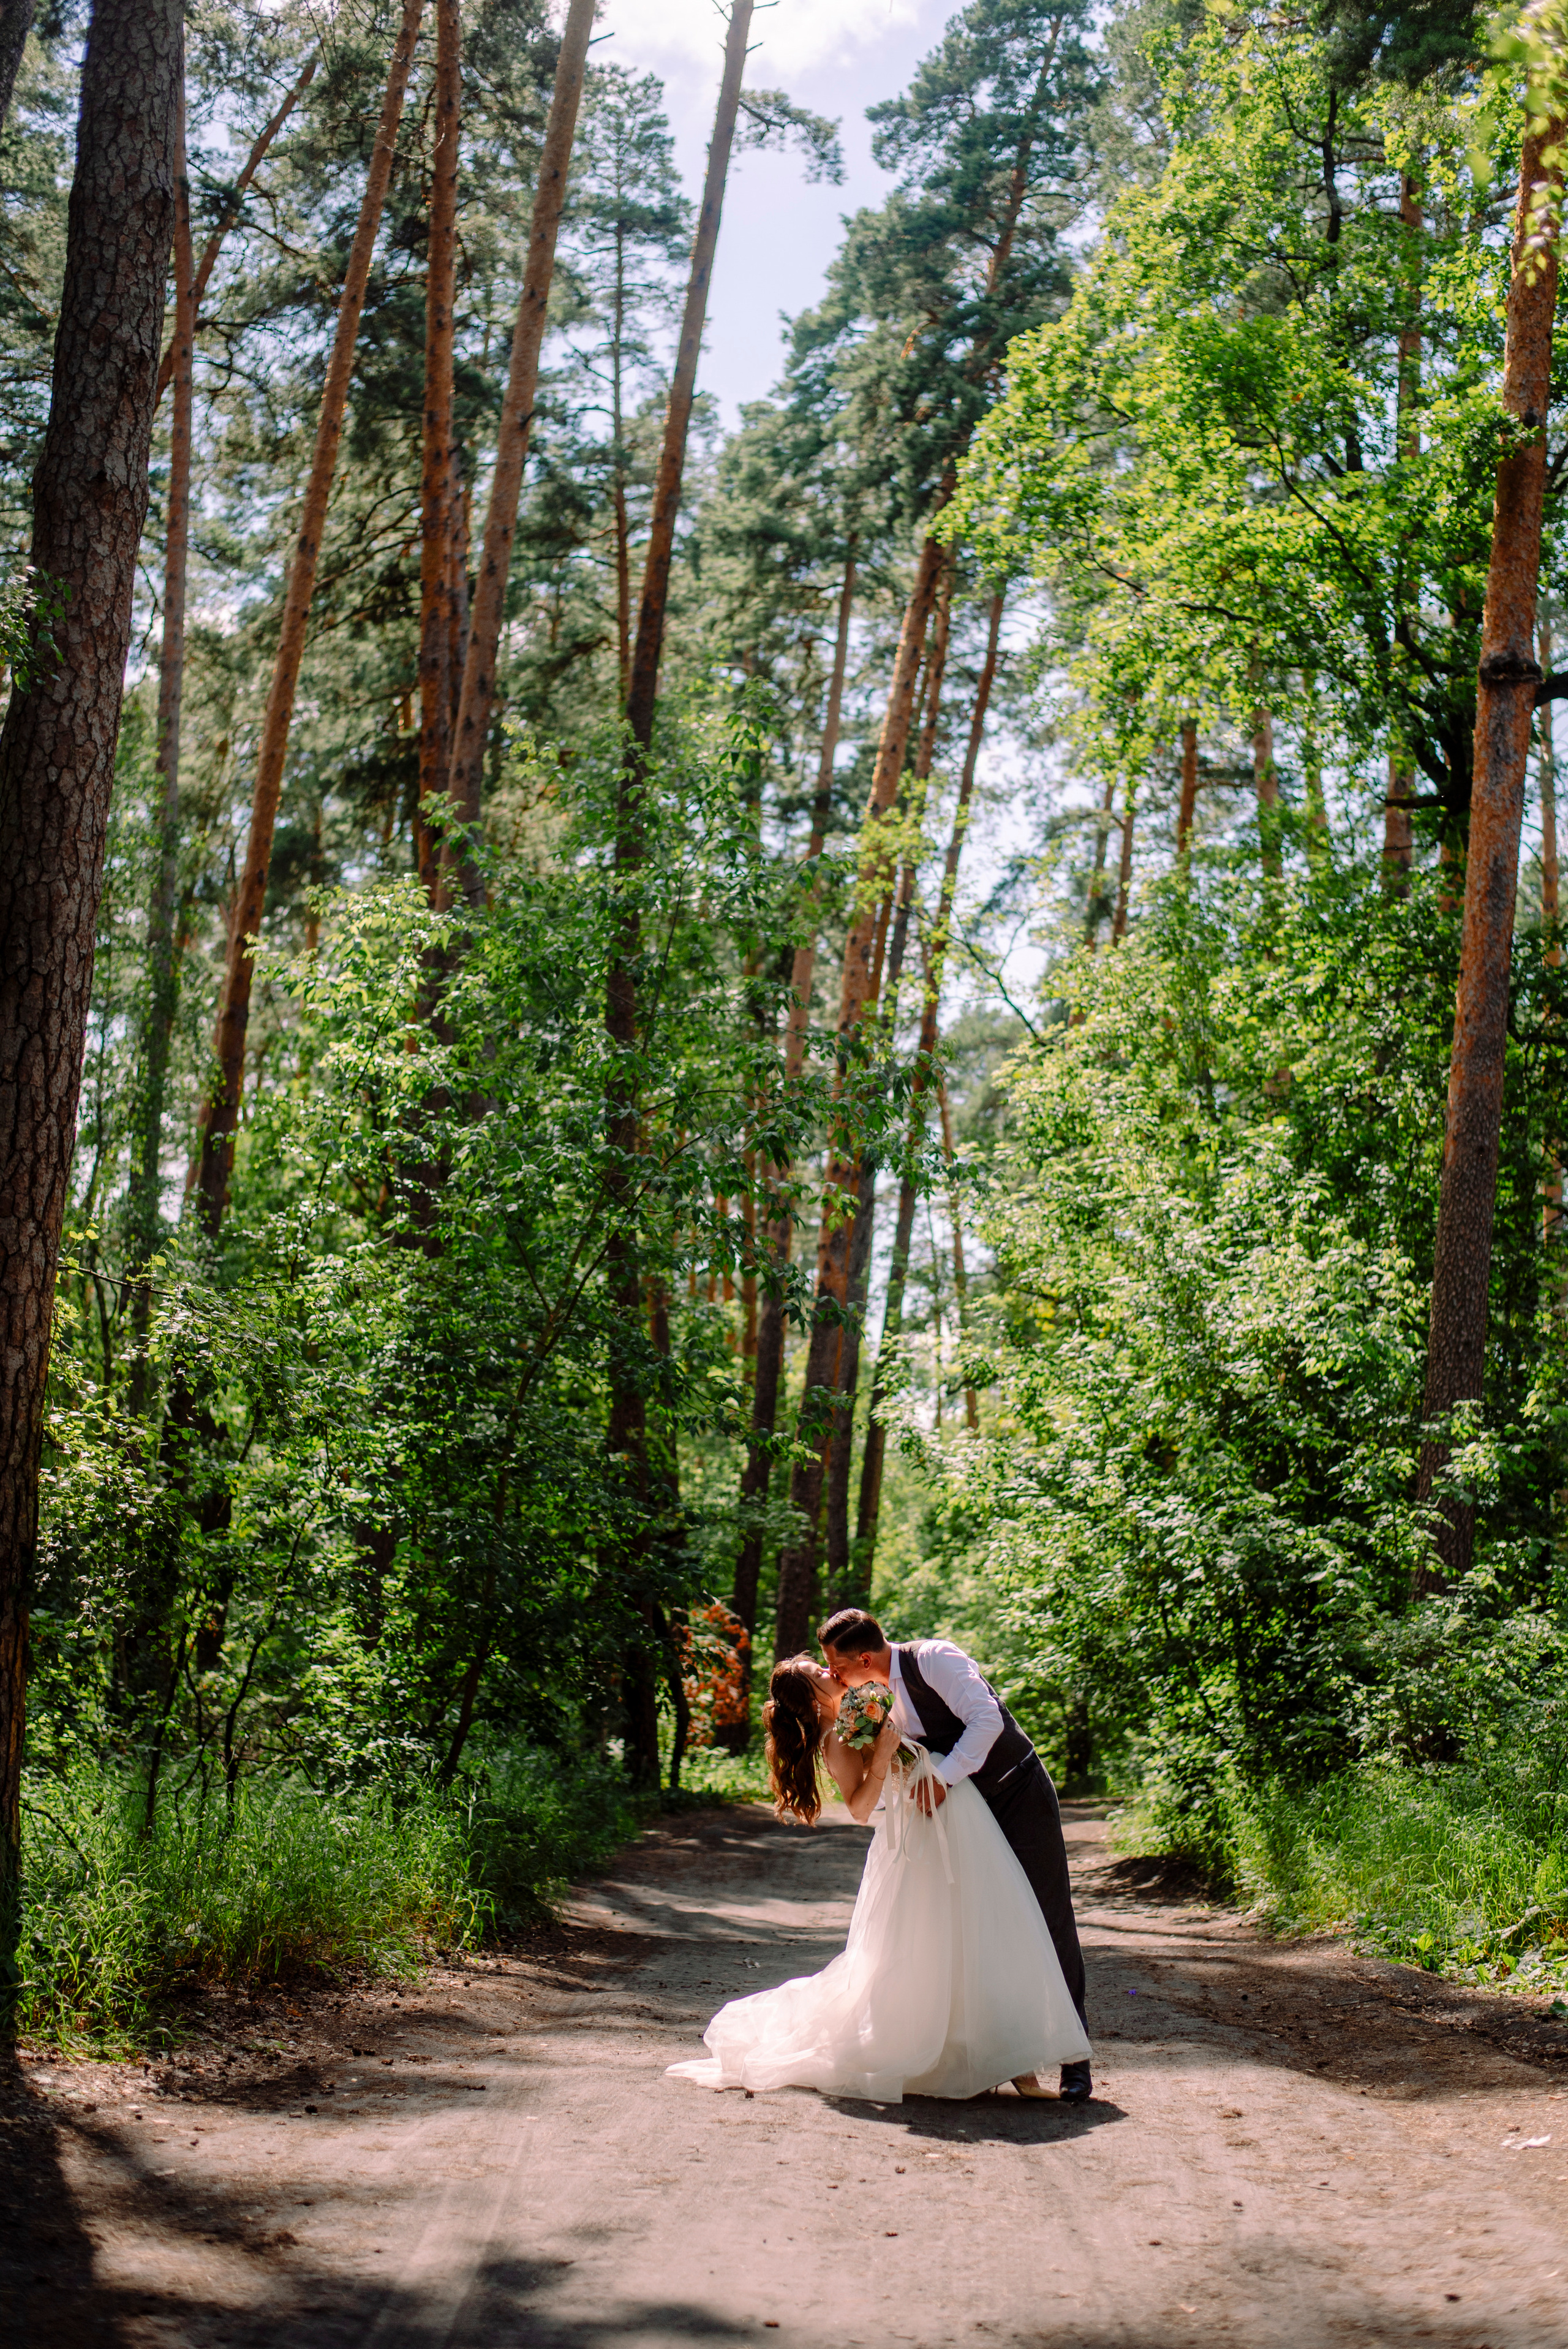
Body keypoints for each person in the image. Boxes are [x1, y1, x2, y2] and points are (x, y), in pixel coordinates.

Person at [666, 1649, 1090, 2105]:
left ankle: (1003, 2055)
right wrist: (885, 1754)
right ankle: (992, 2060)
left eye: (823, 1666)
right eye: (817, 1675)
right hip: (920, 1833)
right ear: (811, 1701)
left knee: (980, 1932)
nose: (829, 1672)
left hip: (960, 1817)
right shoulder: (836, 1739)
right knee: (939, 1944)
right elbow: (861, 1807)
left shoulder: (869, 1696)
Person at [819, 1608, 1092, 2105]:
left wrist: (945, 1779)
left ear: (863, 1658)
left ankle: (1076, 2062)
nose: (834, 1678)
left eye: (836, 1668)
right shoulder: (873, 1700)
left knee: (1049, 1919)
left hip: (1016, 1795)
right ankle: (996, 2054)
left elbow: (986, 1719)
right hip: (964, 1820)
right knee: (978, 1929)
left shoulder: (935, 1660)